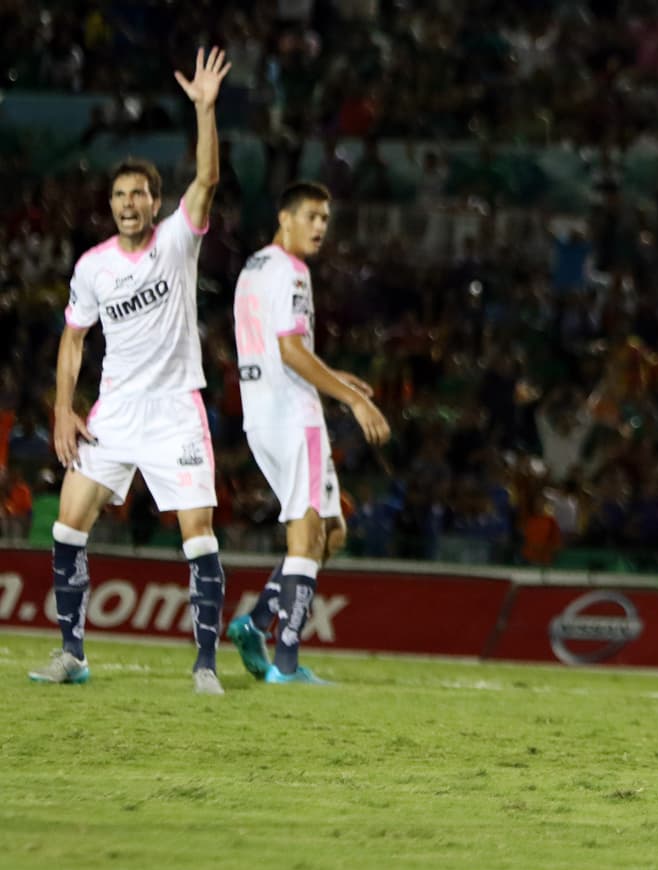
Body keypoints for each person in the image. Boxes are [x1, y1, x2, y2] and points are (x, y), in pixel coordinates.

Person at [28, 48, 232, 695]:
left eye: (137, 194)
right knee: (67, 525)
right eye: (117, 195)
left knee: (198, 534)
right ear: (110, 205)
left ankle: (205, 666)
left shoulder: (178, 239)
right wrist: (64, 407)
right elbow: (73, 339)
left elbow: (207, 180)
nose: (126, 203)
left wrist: (205, 110)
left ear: (154, 202)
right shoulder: (93, 266)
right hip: (113, 410)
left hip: (175, 407)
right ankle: (72, 655)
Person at [224, 182, 390, 684]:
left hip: (262, 416)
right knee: (306, 533)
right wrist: (353, 398)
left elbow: (277, 350)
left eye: (325, 218)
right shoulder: (293, 272)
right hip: (295, 417)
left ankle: (255, 624)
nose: (320, 227)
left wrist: (337, 378)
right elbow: (291, 350)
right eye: (312, 216)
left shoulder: (255, 267)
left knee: (331, 532)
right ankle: (287, 663)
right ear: (285, 216)